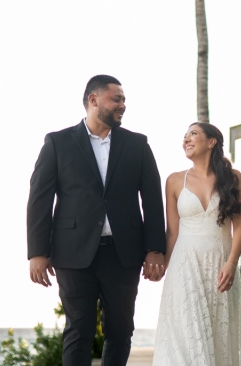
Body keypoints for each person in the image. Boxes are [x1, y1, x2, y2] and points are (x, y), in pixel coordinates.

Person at [27, 75, 166, 366]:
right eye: (117, 99)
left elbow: (152, 200)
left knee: (120, 329)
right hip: (72, 253)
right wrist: (38, 253)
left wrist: (156, 248)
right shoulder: (57, 142)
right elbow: (40, 200)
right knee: (79, 329)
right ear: (94, 100)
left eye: (124, 100)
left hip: (123, 253)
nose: (123, 105)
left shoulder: (137, 144)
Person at [152, 122, 241, 365]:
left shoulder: (233, 178)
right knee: (186, 340)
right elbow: (172, 232)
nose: (186, 139)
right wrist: (163, 266)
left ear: (211, 141)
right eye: (184, 136)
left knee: (218, 337)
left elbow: (240, 227)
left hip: (220, 265)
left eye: (193, 134)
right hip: (184, 266)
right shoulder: (174, 181)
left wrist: (231, 263)